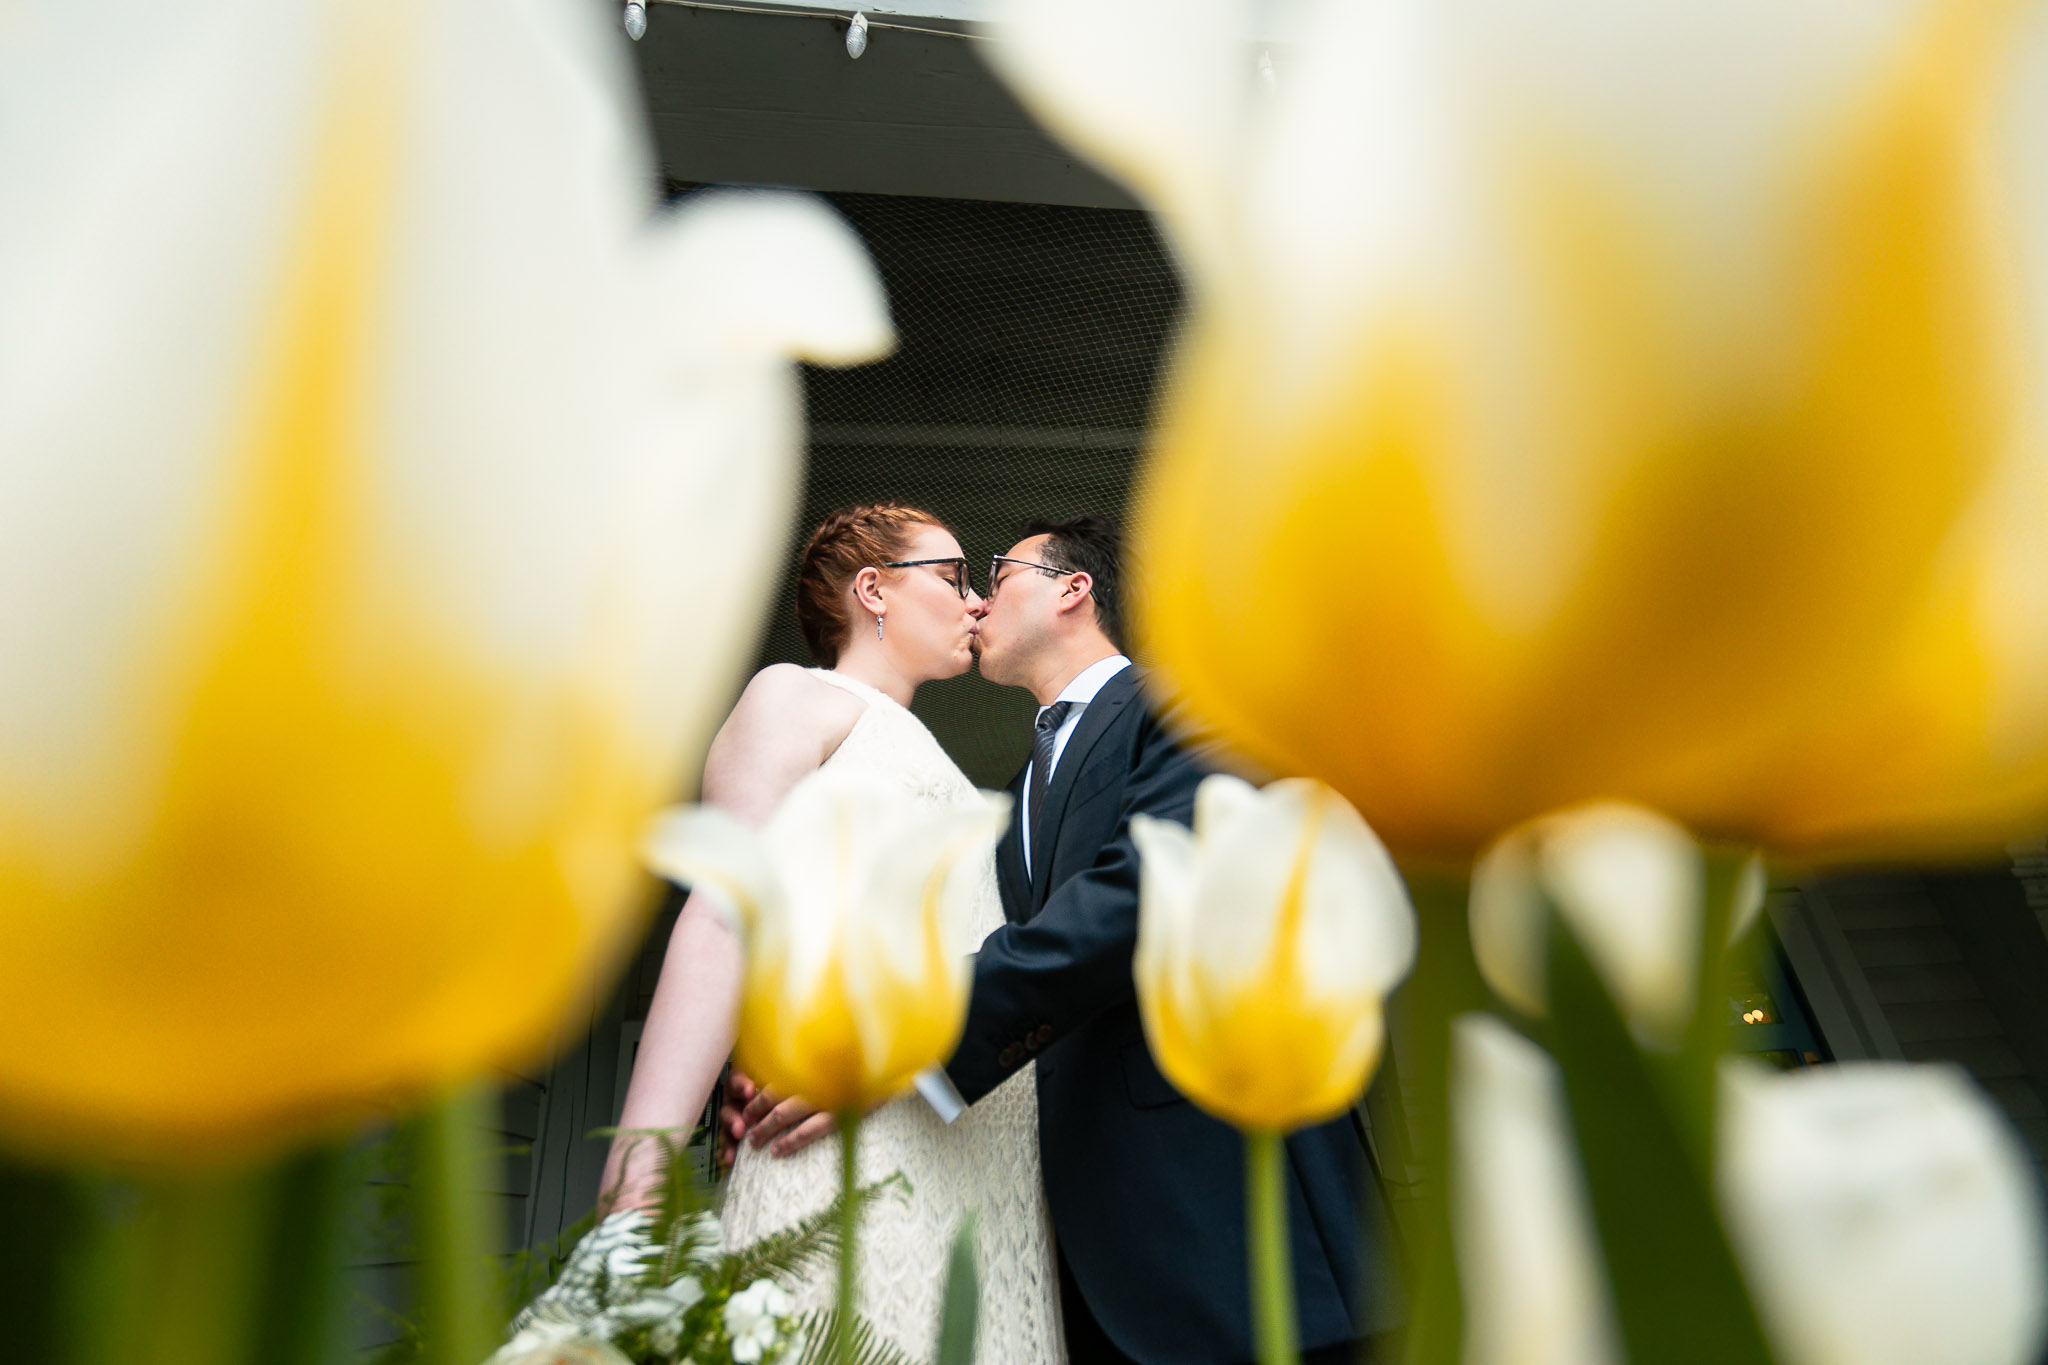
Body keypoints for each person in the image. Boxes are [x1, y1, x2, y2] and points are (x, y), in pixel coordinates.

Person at [747, 515, 1403, 1364]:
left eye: (999, 574)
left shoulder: (1194, 700)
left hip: (1234, 1217)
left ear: (1072, 589)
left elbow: (1140, 891)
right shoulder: (1013, 790)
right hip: (1085, 1255)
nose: (977, 602)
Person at [556, 503, 1064, 1363]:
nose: (976, 603)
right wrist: (638, 1181)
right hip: (846, 1149)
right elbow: (723, 913)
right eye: (952, 577)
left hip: (987, 1169)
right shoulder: (797, 696)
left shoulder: (952, 766)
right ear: (874, 589)